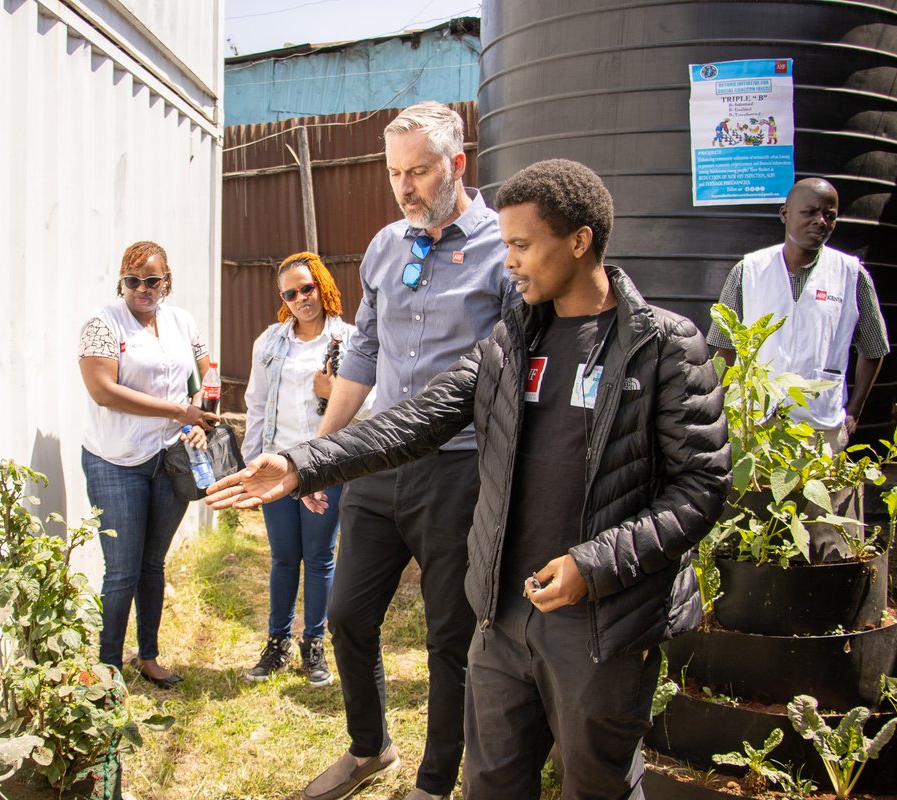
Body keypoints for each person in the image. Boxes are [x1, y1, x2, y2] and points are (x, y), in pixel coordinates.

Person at [207, 159, 731, 800]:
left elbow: (701, 488)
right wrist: (301, 462)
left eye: (520, 245)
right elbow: (418, 421)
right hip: (503, 617)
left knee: (596, 786)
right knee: (492, 785)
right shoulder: (511, 343)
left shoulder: (663, 346)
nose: (507, 261)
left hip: (600, 622)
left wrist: (592, 566)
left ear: (579, 240)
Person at [294, 101, 511, 800]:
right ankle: (370, 748)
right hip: (381, 460)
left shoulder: (502, 249)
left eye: (418, 171)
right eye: (395, 173)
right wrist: (324, 454)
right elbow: (364, 349)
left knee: (450, 636)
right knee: (348, 615)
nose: (405, 187)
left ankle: (434, 781)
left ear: (457, 164)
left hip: (459, 468)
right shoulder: (388, 246)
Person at [78, 240, 218, 689]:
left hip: (169, 461)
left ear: (166, 281)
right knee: (122, 569)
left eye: (152, 280)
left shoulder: (181, 321)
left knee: (152, 564)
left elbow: (206, 372)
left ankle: (149, 656)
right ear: (122, 282)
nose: (142, 288)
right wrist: (177, 412)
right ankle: (107, 668)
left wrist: (199, 417)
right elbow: (103, 390)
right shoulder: (102, 324)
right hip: (115, 461)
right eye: (133, 280)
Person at [241, 251, 372, 687]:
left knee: (318, 558)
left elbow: (371, 406)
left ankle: (313, 646)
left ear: (322, 284)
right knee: (282, 559)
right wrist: (250, 465)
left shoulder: (350, 340)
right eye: (291, 293)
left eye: (307, 288)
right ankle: (276, 643)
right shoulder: (270, 342)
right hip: (278, 466)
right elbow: (256, 405)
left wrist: (335, 391)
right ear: (284, 298)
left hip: (325, 466)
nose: (301, 299)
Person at [706, 177, 889, 451]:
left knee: (820, 492)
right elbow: (723, 348)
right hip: (755, 423)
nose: (821, 221)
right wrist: (718, 409)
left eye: (830, 215)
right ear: (785, 214)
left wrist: (854, 410)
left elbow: (874, 348)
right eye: (810, 212)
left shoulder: (851, 275)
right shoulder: (749, 271)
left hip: (819, 426)